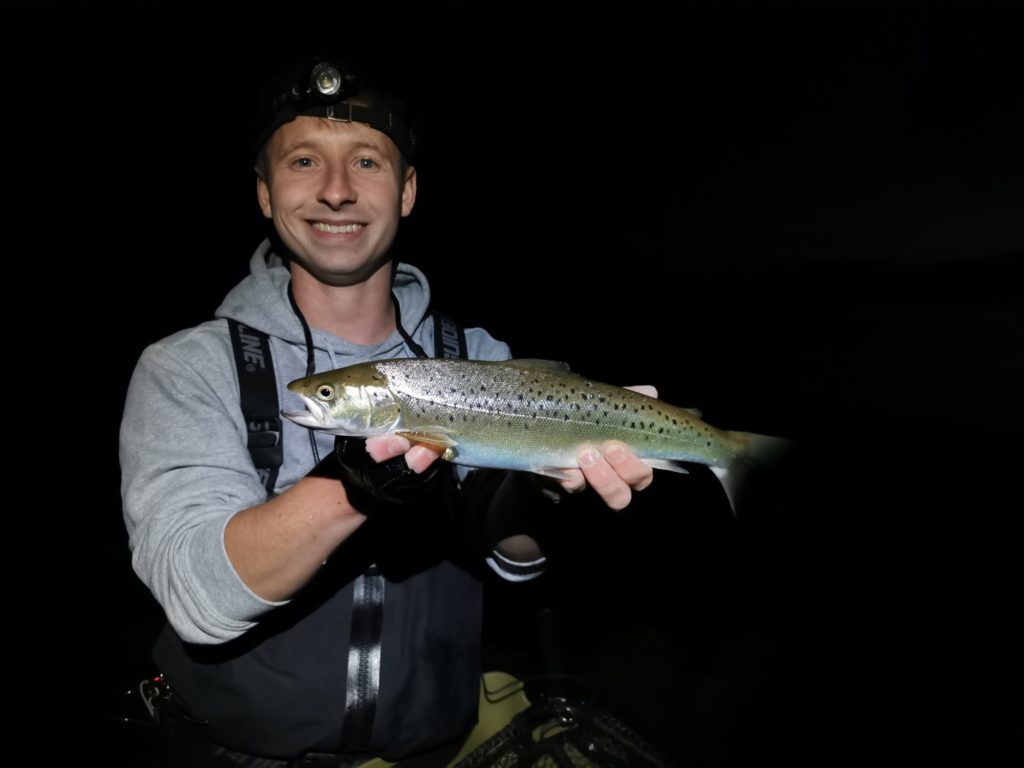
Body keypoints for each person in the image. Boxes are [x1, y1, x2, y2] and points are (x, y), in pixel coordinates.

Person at [119, 54, 656, 767]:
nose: (336, 191)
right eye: (304, 160)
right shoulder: (188, 368)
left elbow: (517, 568)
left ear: (406, 192)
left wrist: (540, 496)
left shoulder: (484, 360)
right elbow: (198, 602)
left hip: (435, 752)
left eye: (367, 162)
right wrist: (350, 489)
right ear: (264, 192)